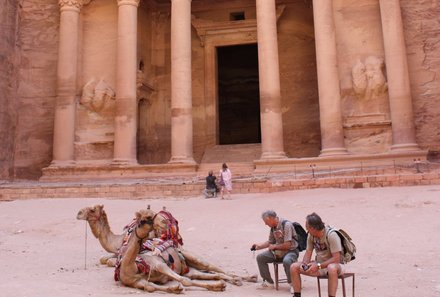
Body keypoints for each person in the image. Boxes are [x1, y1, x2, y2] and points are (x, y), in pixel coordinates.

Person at [290, 212, 346, 297]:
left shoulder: (331, 235)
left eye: (307, 227)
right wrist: (305, 264)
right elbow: (308, 253)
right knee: (294, 267)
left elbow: (336, 259)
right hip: (319, 265)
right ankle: (297, 295)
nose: (307, 230)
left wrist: (319, 266)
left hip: (336, 265)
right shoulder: (311, 236)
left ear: (313, 228)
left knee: (331, 268)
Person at [250, 210, 299, 292]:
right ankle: (269, 282)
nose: (265, 224)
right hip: (278, 251)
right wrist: (258, 246)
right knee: (260, 258)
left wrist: (275, 246)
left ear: (272, 219)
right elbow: (270, 242)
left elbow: (288, 245)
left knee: (287, 261)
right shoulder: (273, 227)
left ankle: (293, 284)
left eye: (266, 221)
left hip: (291, 251)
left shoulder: (286, 225)